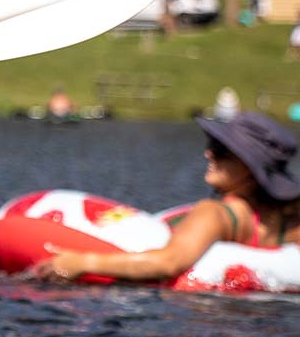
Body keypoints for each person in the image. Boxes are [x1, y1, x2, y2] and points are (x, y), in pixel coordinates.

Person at [32, 112, 300, 283]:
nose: (208, 154)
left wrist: (81, 262)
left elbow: (168, 262)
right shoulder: (284, 220)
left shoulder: (216, 213)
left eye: (219, 150)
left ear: (248, 167)